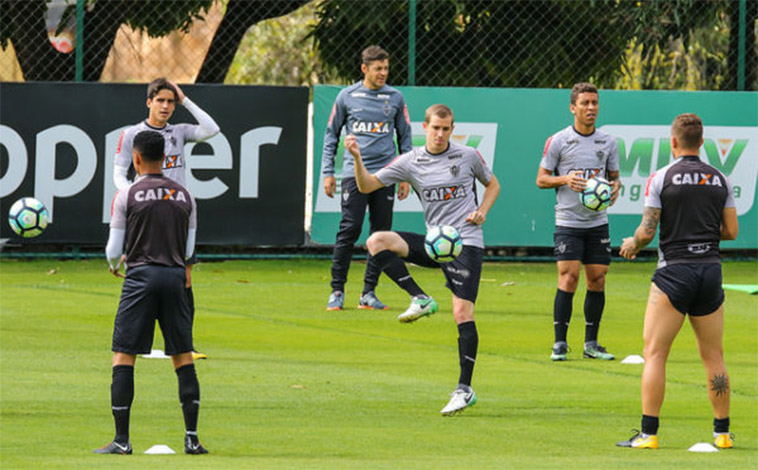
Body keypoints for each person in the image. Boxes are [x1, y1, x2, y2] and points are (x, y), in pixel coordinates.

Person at [344, 104, 500, 416]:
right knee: (376, 240)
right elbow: (367, 185)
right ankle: (420, 297)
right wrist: (357, 158)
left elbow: (493, 185)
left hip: (465, 243)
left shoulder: (467, 156)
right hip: (434, 243)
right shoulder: (411, 161)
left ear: (452, 129)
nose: (441, 134)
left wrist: (483, 210)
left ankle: (464, 389)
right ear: (424, 128)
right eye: (436, 128)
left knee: (462, 313)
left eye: (447, 129)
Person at [617, 113, 738, 450]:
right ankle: (722, 433)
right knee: (714, 355)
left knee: (655, 353)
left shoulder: (661, 178)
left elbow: (647, 230)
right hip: (710, 271)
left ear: (673, 142)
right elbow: (731, 231)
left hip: (674, 273)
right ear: (701, 142)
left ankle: (648, 434)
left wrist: (633, 243)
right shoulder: (720, 179)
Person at [97, 130, 208, 455]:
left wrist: (116, 264)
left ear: (136, 158)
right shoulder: (186, 196)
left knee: (124, 354)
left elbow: (113, 250)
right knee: (182, 354)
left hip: (140, 279)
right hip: (175, 278)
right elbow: (189, 250)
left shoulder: (127, 195)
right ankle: (192, 439)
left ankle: (122, 440)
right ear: (166, 158)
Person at [114, 77, 220, 360]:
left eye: (170, 101)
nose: (165, 106)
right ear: (149, 102)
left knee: (184, 277)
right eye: (160, 100)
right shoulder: (132, 134)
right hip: (145, 212)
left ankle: (186, 344)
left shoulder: (180, 132)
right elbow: (118, 172)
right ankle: (136, 342)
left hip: (175, 213)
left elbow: (212, 129)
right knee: (144, 272)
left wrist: (186, 100)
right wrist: (135, 194)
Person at [321, 45, 413, 311]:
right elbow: (331, 136)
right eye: (378, 69)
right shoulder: (346, 96)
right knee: (349, 229)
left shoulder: (395, 97)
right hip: (354, 174)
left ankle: (368, 293)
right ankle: (337, 290)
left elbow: (405, 137)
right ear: (364, 69)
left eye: (386, 68)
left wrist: (405, 174)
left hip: (386, 175)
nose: (383, 73)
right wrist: (328, 172)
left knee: (380, 234)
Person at [536, 82, 621, 362]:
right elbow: (541, 179)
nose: (591, 108)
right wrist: (565, 179)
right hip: (568, 222)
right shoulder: (558, 140)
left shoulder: (608, 142)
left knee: (597, 280)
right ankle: (560, 343)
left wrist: (615, 188)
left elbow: (614, 178)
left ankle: (591, 344)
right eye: (585, 103)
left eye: (594, 103)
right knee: (569, 277)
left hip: (597, 222)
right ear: (573, 107)